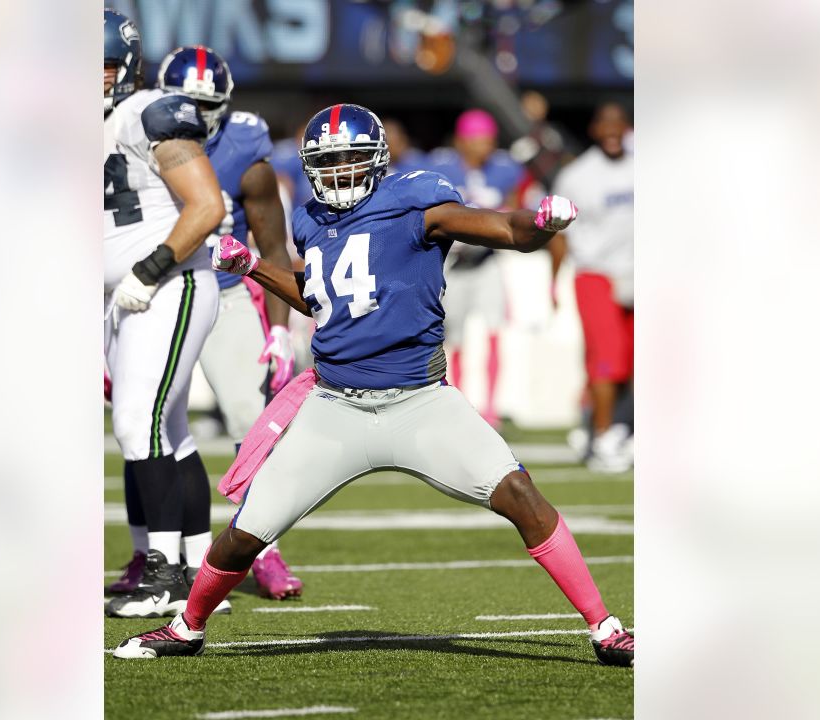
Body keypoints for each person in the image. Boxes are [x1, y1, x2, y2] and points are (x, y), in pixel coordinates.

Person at [113, 103, 635, 667]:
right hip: (334, 406)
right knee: (246, 532)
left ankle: (604, 626)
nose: (338, 170)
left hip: (420, 403)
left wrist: (543, 223)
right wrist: (255, 269)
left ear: (377, 159)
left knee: (522, 499)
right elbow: (319, 300)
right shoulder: (311, 219)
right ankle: (188, 626)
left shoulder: (415, 200)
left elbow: (507, 228)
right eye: (327, 160)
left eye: (349, 158)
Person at [147, 44, 304, 600]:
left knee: (249, 420)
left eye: (203, 103)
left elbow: (272, 244)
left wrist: (280, 328)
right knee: (148, 426)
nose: (192, 113)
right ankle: (152, 553)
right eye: (182, 102)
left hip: (226, 290)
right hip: (155, 291)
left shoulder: (243, 147)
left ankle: (264, 549)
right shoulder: (129, 133)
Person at [102, 9, 225, 619]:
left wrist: (148, 271)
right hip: (122, 294)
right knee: (167, 431)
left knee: (136, 423)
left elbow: (206, 205)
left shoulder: (147, 111)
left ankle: (165, 575)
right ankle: (196, 571)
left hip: (165, 284)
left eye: (97, 68)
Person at [549, 102, 635, 472]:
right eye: (606, 123)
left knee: (632, 360)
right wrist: (553, 280)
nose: (613, 129)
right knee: (607, 358)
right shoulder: (577, 176)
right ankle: (602, 437)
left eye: (620, 122)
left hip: (639, 273)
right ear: (595, 130)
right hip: (595, 273)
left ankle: (606, 428)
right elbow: (559, 232)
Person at [427, 110, 526, 428]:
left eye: (488, 141)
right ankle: (460, 398)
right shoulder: (440, 168)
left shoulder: (503, 169)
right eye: (477, 140)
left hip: (486, 261)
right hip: (454, 264)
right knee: (452, 335)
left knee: (494, 330)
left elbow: (515, 205)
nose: (485, 147)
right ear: (461, 141)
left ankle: (492, 406)